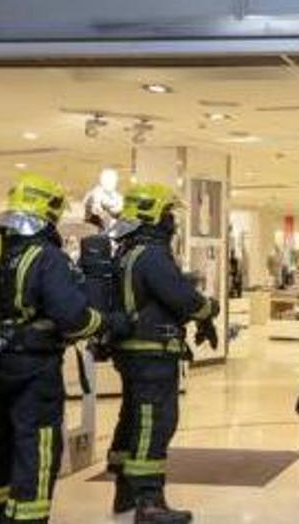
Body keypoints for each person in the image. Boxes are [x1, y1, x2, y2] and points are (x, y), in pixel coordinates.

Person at [0, 174, 124, 524]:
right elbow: (73, 317)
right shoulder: (46, 256)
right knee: (36, 444)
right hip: (33, 366)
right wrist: (105, 323)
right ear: (50, 209)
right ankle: (27, 517)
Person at [106, 183, 219, 524]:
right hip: (152, 353)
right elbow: (181, 298)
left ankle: (126, 493)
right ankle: (149, 500)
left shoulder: (127, 250)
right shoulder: (152, 254)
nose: (172, 220)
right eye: (168, 213)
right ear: (153, 215)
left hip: (132, 350)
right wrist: (207, 309)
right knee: (155, 422)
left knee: (133, 418)